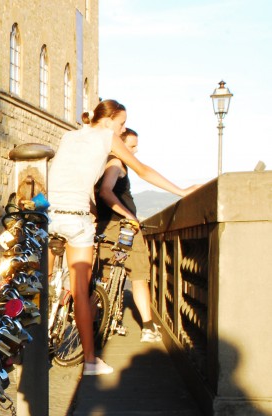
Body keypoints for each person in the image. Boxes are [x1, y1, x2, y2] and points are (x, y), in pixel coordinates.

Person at [47, 100, 198, 376]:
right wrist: (181, 191)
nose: (123, 128)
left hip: (49, 215)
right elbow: (143, 170)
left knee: (40, 283)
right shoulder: (107, 137)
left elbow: (71, 176)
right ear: (109, 120)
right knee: (81, 292)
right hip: (76, 220)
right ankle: (91, 362)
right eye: (121, 123)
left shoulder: (69, 135)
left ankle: (25, 342)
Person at [94, 128, 161, 343]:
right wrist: (129, 215)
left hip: (104, 225)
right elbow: (106, 191)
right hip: (123, 227)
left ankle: (101, 322)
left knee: (103, 277)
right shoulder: (116, 163)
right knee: (139, 275)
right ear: (119, 145)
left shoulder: (100, 164)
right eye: (131, 146)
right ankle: (149, 327)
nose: (135, 150)